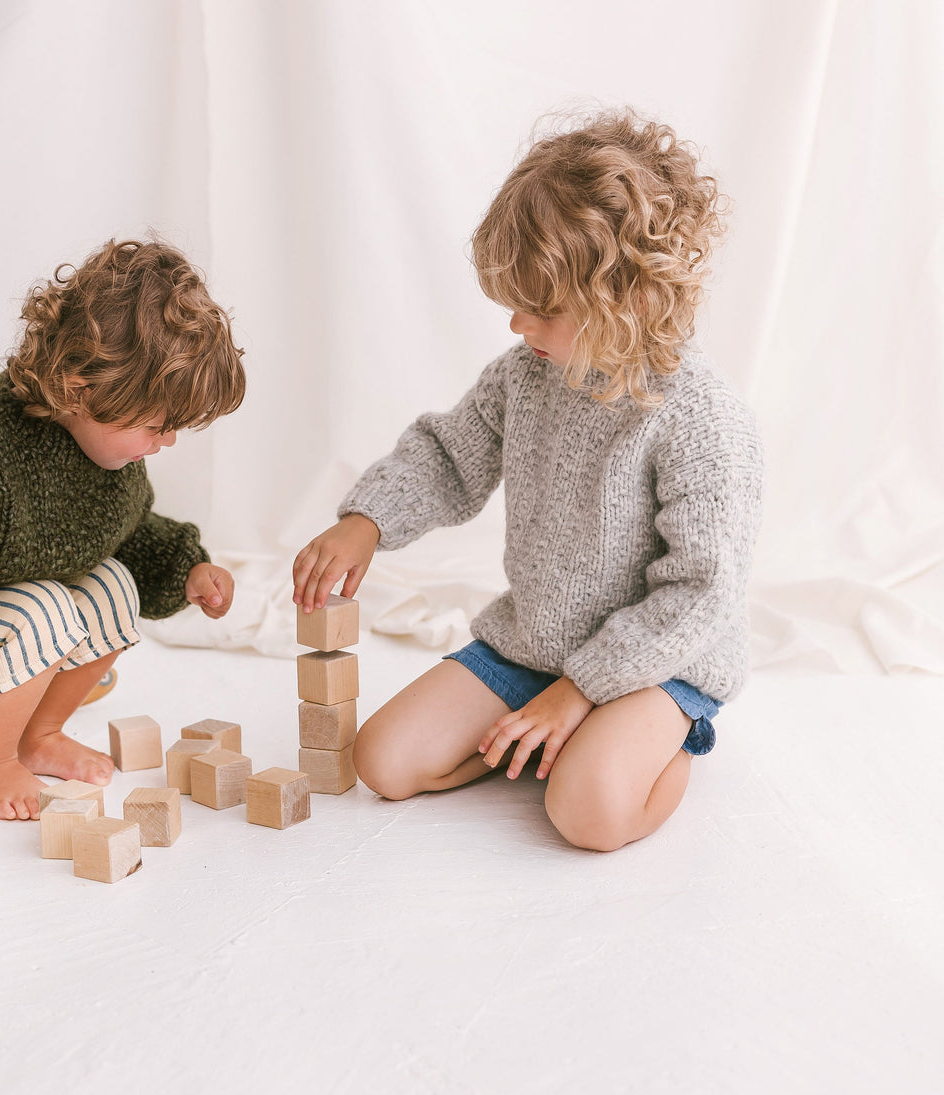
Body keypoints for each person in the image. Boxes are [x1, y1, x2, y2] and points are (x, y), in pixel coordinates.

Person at [292, 110, 764, 851]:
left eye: (541, 309)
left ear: (631, 299)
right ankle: (542, 742)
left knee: (589, 814)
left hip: (655, 662)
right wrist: (368, 520)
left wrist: (583, 692)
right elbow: (449, 455)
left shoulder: (701, 419)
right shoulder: (525, 376)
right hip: (536, 646)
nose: (517, 325)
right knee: (382, 761)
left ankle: (655, 745)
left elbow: (700, 593)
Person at [0, 238, 245, 820]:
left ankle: (37, 734)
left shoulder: (108, 449)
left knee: (114, 587)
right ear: (82, 388)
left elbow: (124, 529)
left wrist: (184, 569)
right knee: (47, 608)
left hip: (5, 624)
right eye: (158, 425)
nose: (169, 441)